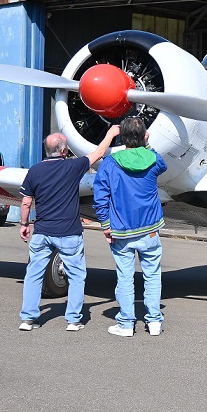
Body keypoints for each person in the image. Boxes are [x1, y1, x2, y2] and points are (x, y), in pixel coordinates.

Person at [18, 124, 121, 331]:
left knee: (33, 274)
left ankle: (28, 319)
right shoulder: (73, 167)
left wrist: (24, 224)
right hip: (69, 232)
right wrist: (110, 134)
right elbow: (99, 153)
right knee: (77, 276)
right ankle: (73, 320)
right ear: (64, 151)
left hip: (42, 232)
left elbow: (26, 202)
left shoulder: (34, 171)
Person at [93, 116, 168, 337]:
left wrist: (105, 225)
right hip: (150, 229)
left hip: (122, 230)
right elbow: (163, 165)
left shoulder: (110, 164)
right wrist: (147, 144)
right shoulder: (153, 159)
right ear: (144, 136)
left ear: (122, 137)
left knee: (125, 278)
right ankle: (154, 322)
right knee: (152, 276)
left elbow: (100, 197)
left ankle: (126, 324)